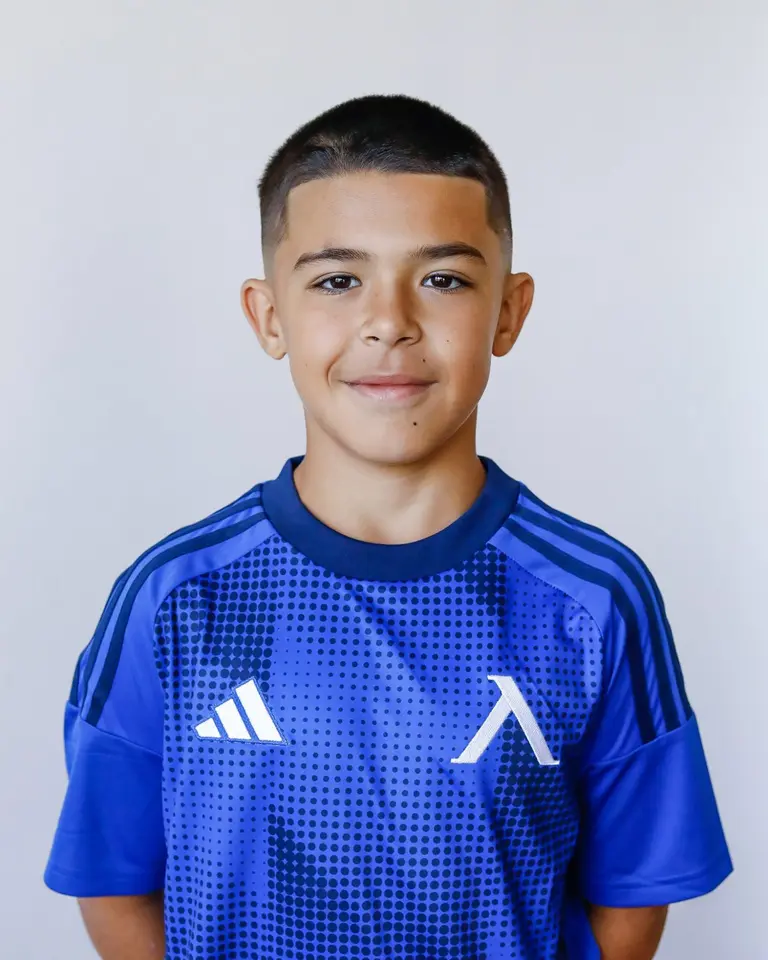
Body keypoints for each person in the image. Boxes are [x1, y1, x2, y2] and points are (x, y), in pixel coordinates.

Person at [44, 93, 732, 960]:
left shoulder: (594, 598)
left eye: (443, 279)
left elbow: (631, 895)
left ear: (509, 311)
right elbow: (114, 878)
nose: (390, 323)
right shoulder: (173, 598)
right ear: (268, 316)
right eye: (338, 280)